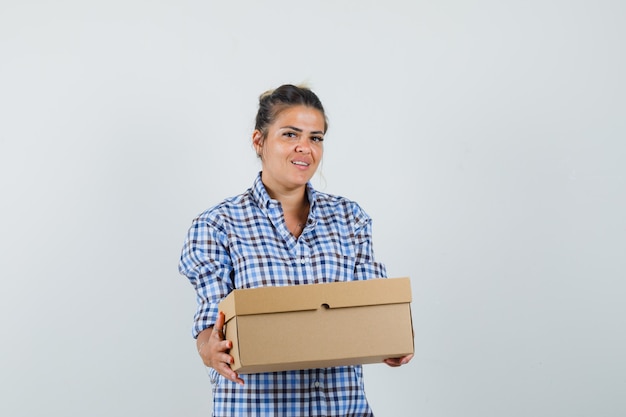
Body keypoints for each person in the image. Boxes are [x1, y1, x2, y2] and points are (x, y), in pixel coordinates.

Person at [178, 84, 413, 416]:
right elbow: (209, 320)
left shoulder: (350, 218)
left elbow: (373, 306)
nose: (305, 148)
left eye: (315, 138)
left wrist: (393, 340)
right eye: (290, 135)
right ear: (259, 141)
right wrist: (209, 350)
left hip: (342, 409)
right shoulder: (218, 224)